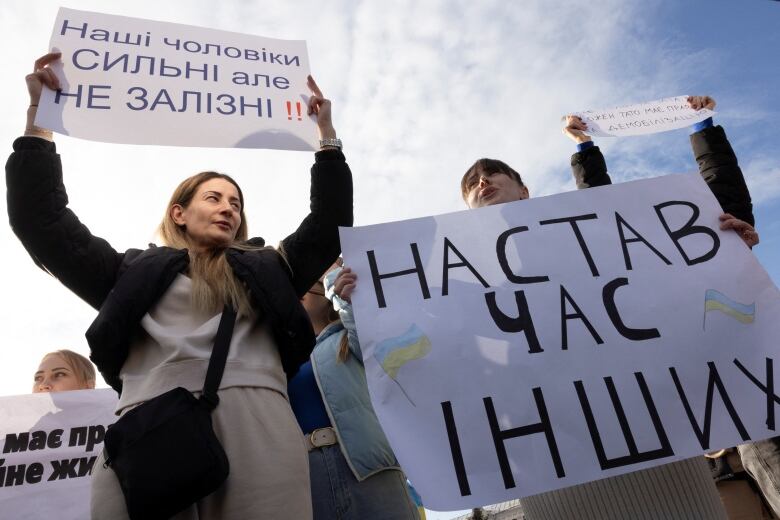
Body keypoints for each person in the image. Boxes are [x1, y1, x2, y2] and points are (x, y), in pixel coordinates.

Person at [7, 52, 353, 519]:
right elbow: (42, 222)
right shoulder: (128, 274)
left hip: (261, 431)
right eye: (213, 197)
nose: (228, 207)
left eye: (235, 202)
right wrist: (38, 122)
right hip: (149, 432)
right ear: (179, 213)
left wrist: (326, 138)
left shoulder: (272, 269)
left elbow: (329, 224)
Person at [464, 96, 753, 520]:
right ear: (465, 211)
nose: (483, 182)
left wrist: (720, 248)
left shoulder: (594, 236)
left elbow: (608, 217)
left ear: (525, 190)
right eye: (472, 183)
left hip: (652, 436)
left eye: (493, 175)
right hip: (553, 459)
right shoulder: (457, 286)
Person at [288, 262, 421, 519]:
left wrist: (338, 285)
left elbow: (372, 338)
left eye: (308, 281)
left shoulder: (348, 339)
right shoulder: (282, 355)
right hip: (307, 477)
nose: (299, 288)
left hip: (369, 472)